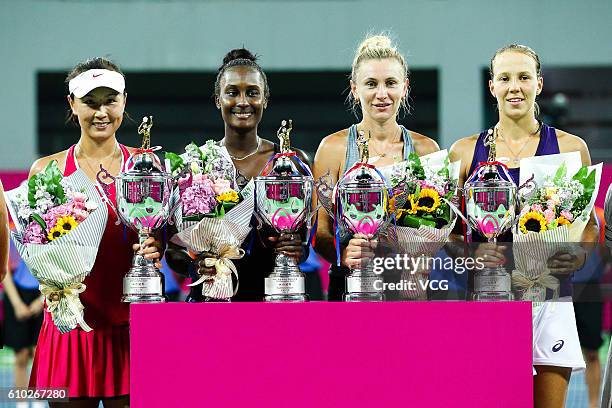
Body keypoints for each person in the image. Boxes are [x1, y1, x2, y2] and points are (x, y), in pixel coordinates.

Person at [449, 43, 598, 408]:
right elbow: (447, 233)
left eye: (523, 77)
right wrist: (472, 252)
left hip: (550, 298)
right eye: (505, 78)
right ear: (492, 87)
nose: (514, 86)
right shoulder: (464, 151)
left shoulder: (570, 147)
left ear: (539, 84)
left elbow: (590, 226)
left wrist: (577, 254)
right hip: (489, 299)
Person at [27, 57, 162, 407]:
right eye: (90, 102)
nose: (101, 112)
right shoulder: (46, 170)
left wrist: (158, 249)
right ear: (73, 105)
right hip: (69, 329)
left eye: (109, 101)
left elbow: (167, 240)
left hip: (133, 330)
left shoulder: (149, 168)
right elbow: (35, 249)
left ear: (124, 102)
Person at [165, 48, 308, 301]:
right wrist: (195, 266)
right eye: (232, 92)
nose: (243, 102)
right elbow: (173, 250)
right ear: (218, 99)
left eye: (252, 93)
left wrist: (297, 249)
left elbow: (305, 243)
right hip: (209, 305)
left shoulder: (291, 162)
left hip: (276, 305)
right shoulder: (194, 165)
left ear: (265, 99)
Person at [313, 34, 439, 301]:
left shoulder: (427, 150)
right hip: (349, 285)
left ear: (404, 87)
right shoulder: (332, 149)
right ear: (355, 89)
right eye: (371, 83)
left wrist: (421, 253)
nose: (382, 94)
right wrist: (343, 253)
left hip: (408, 288)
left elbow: (441, 230)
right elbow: (320, 232)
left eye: (390, 83)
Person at [3, 240, 44, 408]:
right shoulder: (8, 230)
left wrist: (42, 300)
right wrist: (17, 303)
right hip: (16, 295)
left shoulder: (48, 228)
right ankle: (21, 404)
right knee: (21, 356)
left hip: (44, 293)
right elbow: (3, 270)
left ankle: (39, 402)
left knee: (39, 355)